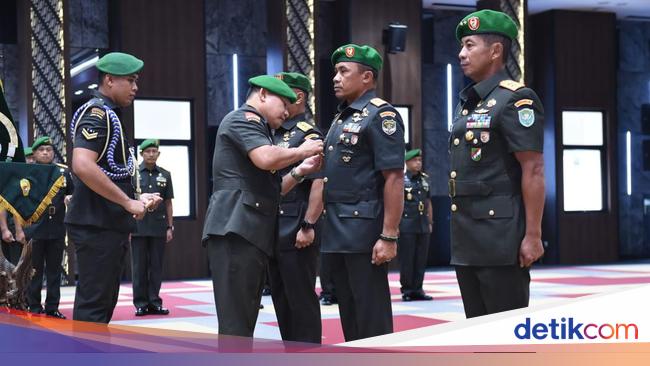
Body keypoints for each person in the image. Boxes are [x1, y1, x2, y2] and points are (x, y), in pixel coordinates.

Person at [202, 75, 323, 338]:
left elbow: (274, 189)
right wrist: (302, 151)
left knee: (244, 319)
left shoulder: (262, 129)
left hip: (250, 233)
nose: (288, 110)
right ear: (263, 94)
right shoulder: (244, 119)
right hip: (236, 231)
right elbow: (266, 158)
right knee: (237, 324)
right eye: (284, 102)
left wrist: (300, 172)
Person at [451, 9, 545, 318]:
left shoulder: (516, 100)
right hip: (467, 235)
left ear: (495, 51)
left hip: (501, 238)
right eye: (462, 46)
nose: (461, 54)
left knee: (505, 334)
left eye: (469, 45)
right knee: (477, 331)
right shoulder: (468, 102)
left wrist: (532, 235)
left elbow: (533, 170)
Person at [65, 52, 162, 323]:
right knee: (94, 308)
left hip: (107, 223)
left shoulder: (110, 115)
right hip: (97, 224)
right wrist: (127, 202)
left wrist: (138, 196)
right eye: (130, 80)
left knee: (103, 304)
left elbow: (112, 171)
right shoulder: (97, 113)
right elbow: (82, 165)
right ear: (109, 80)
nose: (135, 87)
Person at [317, 44, 404, 341]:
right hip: (338, 227)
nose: (335, 78)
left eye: (344, 71)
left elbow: (393, 177)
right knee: (350, 310)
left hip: (364, 228)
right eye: (335, 72)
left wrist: (389, 235)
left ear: (367, 77)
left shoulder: (380, 115)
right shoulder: (343, 117)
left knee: (370, 312)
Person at [268, 72, 323, 343]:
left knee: (301, 297)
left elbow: (318, 184)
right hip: (273, 228)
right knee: (280, 297)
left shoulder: (308, 135)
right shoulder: (271, 133)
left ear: (298, 97)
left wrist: (309, 225)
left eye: (282, 93)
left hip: (296, 227)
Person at [23, 136, 73, 319]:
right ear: (35, 153)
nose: (45, 152)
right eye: (41, 150)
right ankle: (34, 305)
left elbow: (72, 194)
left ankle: (52, 307)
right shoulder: (27, 173)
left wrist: (70, 200)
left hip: (57, 228)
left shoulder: (63, 172)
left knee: (54, 271)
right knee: (34, 271)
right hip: (35, 228)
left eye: (49, 150)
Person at [131, 139, 174, 317]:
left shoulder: (165, 174)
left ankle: (154, 302)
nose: (151, 154)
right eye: (147, 151)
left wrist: (170, 227)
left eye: (154, 151)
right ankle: (140, 303)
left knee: (156, 266)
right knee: (139, 266)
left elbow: (168, 203)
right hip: (138, 226)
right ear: (141, 154)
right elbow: (129, 202)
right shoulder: (133, 174)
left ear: (158, 154)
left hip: (158, 226)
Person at [399, 148, 433, 302]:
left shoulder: (425, 179)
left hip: (422, 223)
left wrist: (430, 221)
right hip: (406, 224)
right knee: (407, 258)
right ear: (407, 162)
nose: (418, 163)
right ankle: (407, 290)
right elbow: (397, 203)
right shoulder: (401, 180)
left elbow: (428, 202)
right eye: (414, 160)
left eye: (420, 160)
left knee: (421, 258)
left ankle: (418, 288)